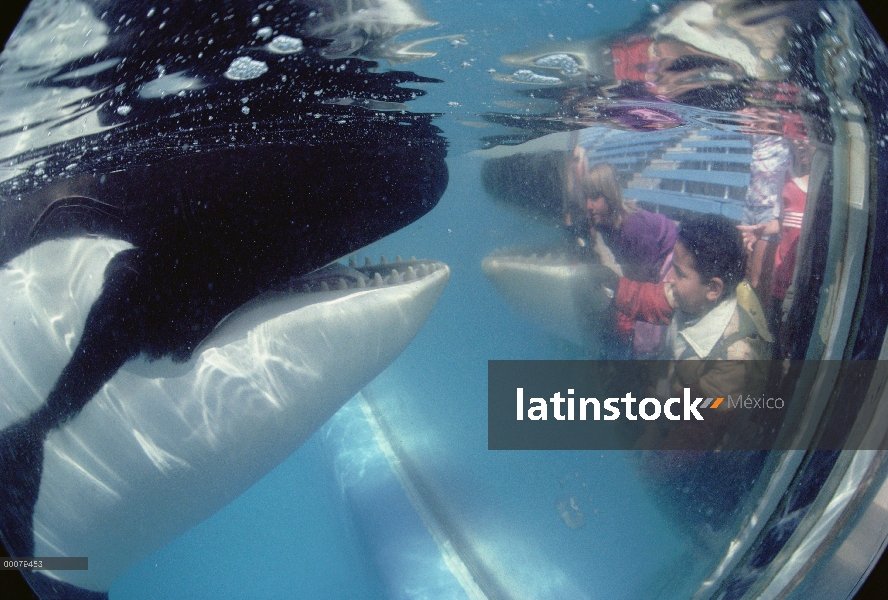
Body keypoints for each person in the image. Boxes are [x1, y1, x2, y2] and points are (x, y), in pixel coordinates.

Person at [565, 159, 677, 355]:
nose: (589, 205)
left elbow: (647, 280)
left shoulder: (633, 228)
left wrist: (629, 307)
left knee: (650, 309)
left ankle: (652, 350)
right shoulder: (604, 225)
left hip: (668, 254)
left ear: (611, 196)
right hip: (647, 260)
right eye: (587, 198)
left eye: (596, 197)